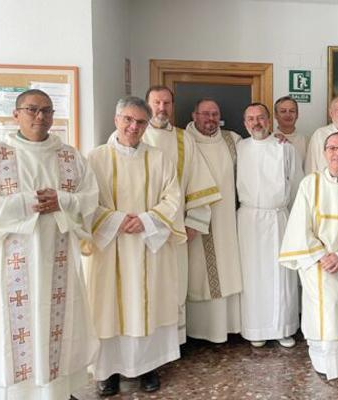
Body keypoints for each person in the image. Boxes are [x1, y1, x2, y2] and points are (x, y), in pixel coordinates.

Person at [0, 89, 98, 399]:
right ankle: (17, 392)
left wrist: (61, 200)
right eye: (32, 109)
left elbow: (90, 198)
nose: (40, 116)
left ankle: (57, 389)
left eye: (47, 110)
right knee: (13, 327)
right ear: (15, 114)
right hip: (12, 258)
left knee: (60, 319)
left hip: (58, 253)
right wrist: (26, 203)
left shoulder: (70, 156)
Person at [85, 96, 185, 395]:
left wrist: (146, 220)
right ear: (116, 120)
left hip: (147, 246)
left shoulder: (159, 158)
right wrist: (115, 220)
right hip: (109, 247)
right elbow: (87, 201)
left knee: (148, 304)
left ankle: (148, 367)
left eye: (140, 121)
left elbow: (173, 198)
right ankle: (108, 372)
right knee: (108, 308)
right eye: (128, 119)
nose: (134, 126)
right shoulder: (95, 158)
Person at [279, 132, 338, 380]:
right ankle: (326, 358)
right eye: (332, 148)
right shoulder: (310, 184)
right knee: (328, 298)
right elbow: (301, 226)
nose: (337, 154)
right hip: (319, 262)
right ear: (324, 153)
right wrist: (323, 256)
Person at [143, 85, 221, 344]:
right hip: (140, 229)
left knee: (172, 285)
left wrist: (195, 221)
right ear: (147, 104)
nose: (161, 108)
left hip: (174, 229)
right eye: (156, 103)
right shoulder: (133, 135)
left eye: (166, 103)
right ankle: (144, 342)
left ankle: (169, 345)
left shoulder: (182, 139)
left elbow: (198, 181)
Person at [237, 103, 303, 348]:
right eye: (251, 118)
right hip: (249, 220)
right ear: (245, 123)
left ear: (269, 120)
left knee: (281, 274)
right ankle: (256, 329)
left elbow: (297, 185)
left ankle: (282, 327)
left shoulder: (285, 148)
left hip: (278, 219)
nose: (256, 123)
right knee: (253, 275)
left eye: (261, 118)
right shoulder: (239, 147)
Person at [183, 98, 243, 343]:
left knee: (227, 269)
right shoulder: (183, 142)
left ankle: (227, 328)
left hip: (228, 220)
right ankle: (197, 331)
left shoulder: (233, 140)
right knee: (198, 274)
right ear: (194, 115)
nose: (210, 119)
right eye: (205, 114)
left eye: (214, 114)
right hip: (194, 220)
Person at [274, 95, 308, 163]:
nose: (288, 115)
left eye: (292, 111)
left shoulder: (306, 141)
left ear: (297, 115)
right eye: (283, 111)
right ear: (275, 115)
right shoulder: (269, 138)